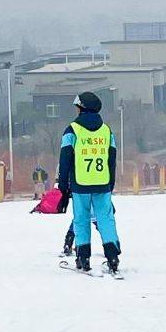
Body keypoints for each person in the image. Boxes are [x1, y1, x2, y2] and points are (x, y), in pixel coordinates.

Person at [57, 91, 121, 274]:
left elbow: (65, 160)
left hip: (80, 184)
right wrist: (110, 184)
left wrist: (63, 187)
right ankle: (112, 256)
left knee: (81, 219)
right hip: (102, 183)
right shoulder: (106, 131)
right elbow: (112, 160)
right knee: (106, 219)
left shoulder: (72, 130)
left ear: (81, 108)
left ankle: (83, 257)